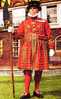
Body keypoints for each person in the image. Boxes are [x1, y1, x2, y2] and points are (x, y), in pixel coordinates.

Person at [13, 1, 54, 99]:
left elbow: (49, 36)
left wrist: (51, 47)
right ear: (28, 10)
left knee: (38, 70)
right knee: (27, 70)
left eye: (35, 8)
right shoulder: (24, 22)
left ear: (38, 10)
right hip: (27, 48)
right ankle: (26, 92)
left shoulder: (44, 22)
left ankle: (37, 90)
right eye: (31, 8)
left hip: (40, 48)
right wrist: (12, 32)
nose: (33, 10)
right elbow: (18, 35)